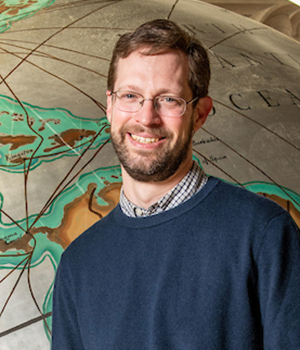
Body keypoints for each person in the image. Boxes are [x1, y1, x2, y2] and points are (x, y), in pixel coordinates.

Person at [51, 19, 300, 349]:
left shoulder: (264, 235)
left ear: (200, 114)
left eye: (168, 100)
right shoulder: (78, 265)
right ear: (109, 107)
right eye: (130, 96)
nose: (146, 117)